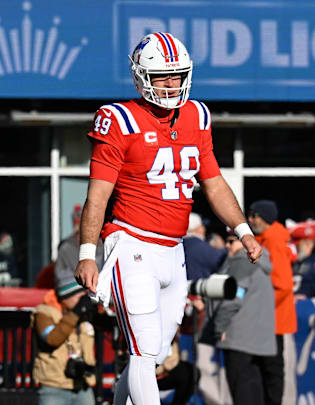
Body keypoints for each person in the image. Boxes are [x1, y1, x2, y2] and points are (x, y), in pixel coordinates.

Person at [73, 32, 262, 405]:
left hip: (174, 252)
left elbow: (213, 182)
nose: (172, 83)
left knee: (155, 353)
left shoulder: (197, 115)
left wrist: (243, 231)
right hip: (132, 243)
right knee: (143, 351)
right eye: (162, 76)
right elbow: (98, 194)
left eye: (177, 75)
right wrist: (86, 253)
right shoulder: (119, 118)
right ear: (142, 75)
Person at [210, 232, 275, 405]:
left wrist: (219, 327)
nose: (227, 245)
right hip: (258, 339)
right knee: (254, 390)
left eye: (231, 241)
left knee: (242, 392)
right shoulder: (260, 262)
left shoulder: (242, 263)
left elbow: (233, 299)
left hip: (239, 337)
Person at [248, 199, 297, 405]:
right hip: (270, 319)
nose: (250, 219)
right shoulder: (267, 238)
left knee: (271, 370)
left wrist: (260, 308)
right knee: (266, 370)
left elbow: (284, 284)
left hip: (272, 320)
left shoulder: (274, 241)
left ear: (265, 218)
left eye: (254, 216)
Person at [33, 274, 97, 405]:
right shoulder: (44, 313)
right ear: (65, 297)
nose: (83, 299)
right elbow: (52, 339)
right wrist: (76, 313)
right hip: (53, 387)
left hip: (82, 385)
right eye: (78, 296)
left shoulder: (84, 315)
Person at [55, 205, 104, 284]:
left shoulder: (102, 245)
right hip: (75, 288)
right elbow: (59, 274)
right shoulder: (66, 248)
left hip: (99, 286)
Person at [183, 212, 226, 280]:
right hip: (197, 288)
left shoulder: (178, 245)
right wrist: (221, 247)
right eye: (202, 225)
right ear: (198, 228)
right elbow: (222, 261)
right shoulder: (200, 247)